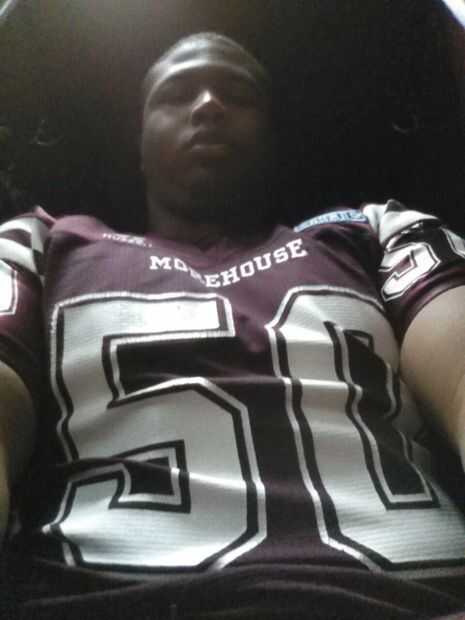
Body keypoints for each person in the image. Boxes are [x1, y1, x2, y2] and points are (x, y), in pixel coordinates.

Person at [1, 31, 465, 620]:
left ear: (272, 137)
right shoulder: (41, 244)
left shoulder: (374, 232)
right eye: (177, 94)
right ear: (139, 144)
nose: (208, 105)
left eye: (236, 94)